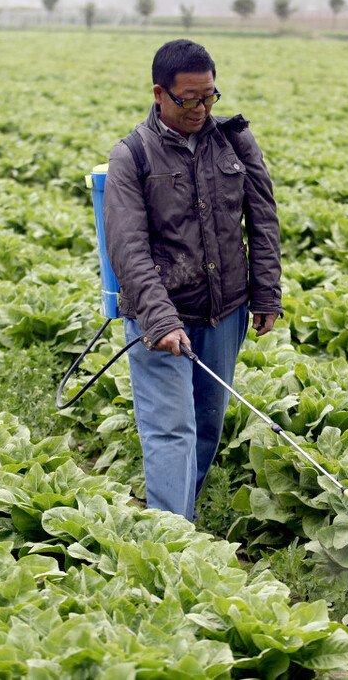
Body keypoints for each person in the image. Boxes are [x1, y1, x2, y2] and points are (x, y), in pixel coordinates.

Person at [104, 39, 282, 521]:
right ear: (160, 93)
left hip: (224, 311)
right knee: (170, 429)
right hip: (159, 314)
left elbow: (262, 219)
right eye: (189, 99)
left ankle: (182, 518)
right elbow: (128, 249)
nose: (201, 108)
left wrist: (265, 292)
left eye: (209, 96)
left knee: (206, 426)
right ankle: (171, 540)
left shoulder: (235, 142)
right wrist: (160, 321)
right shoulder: (132, 157)